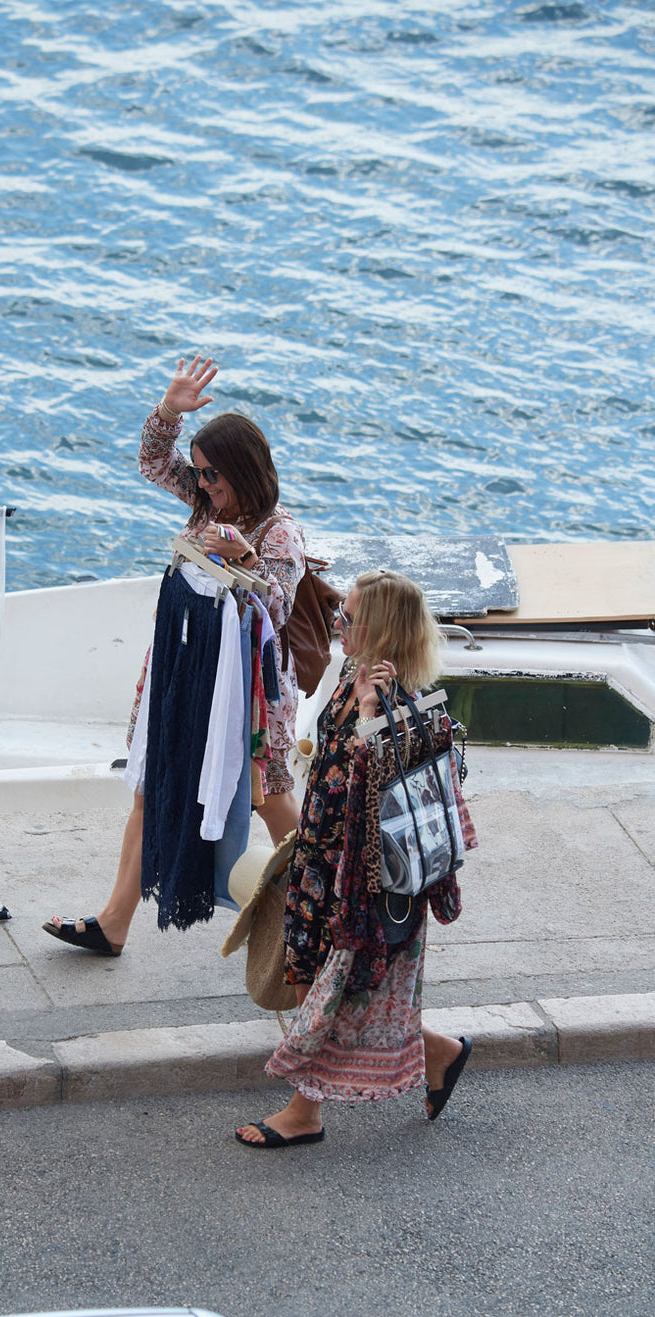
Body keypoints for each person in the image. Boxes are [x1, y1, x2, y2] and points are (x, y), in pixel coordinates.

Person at [44, 354, 307, 956]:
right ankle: (114, 922)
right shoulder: (206, 505)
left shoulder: (279, 531)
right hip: (185, 674)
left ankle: (326, 914)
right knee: (152, 784)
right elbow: (152, 461)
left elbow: (277, 609)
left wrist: (242, 555)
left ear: (242, 470)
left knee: (268, 798)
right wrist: (169, 409)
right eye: (200, 472)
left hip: (249, 695)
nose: (204, 483)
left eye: (213, 473)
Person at [236, 569, 476, 1147]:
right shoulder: (353, 672)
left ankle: (304, 1114)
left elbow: (378, 790)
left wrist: (372, 715)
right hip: (317, 857)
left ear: (383, 628)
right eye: (340, 613)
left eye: (350, 617)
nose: (338, 623)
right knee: (308, 975)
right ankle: (439, 1052)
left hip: (357, 877)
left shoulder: (398, 700)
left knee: (331, 988)